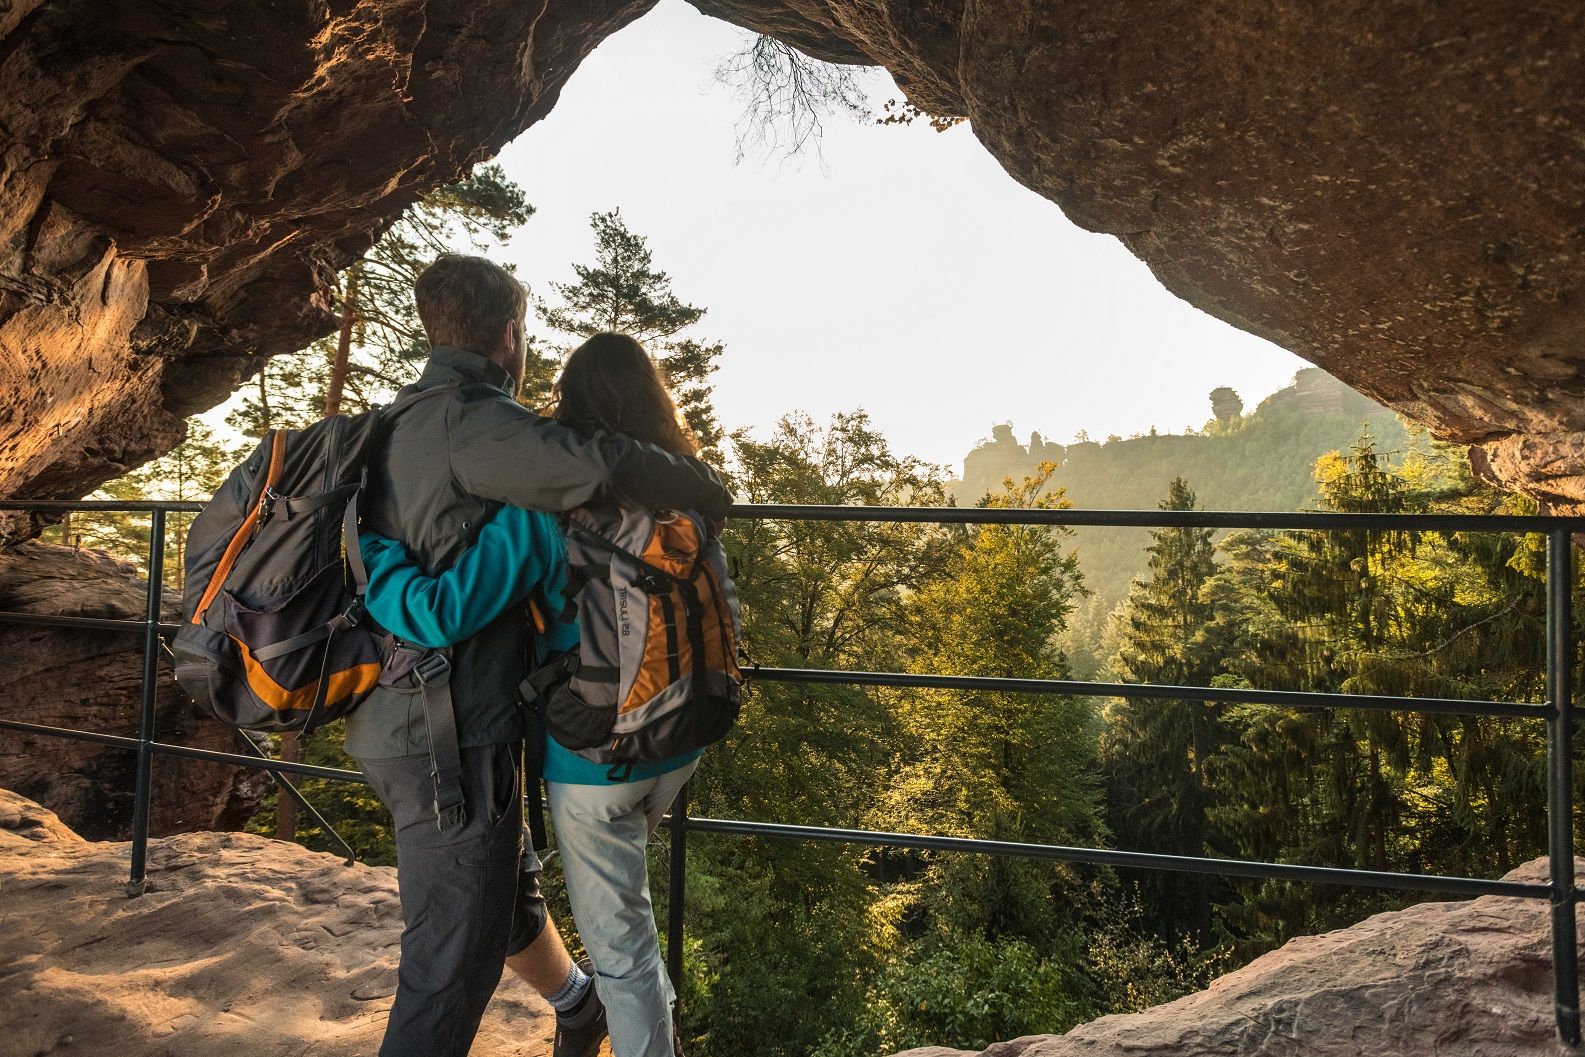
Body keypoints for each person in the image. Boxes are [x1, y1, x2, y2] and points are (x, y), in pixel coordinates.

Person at [349, 257, 730, 1057]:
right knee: (568, 903)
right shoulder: (686, 507)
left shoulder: (530, 506)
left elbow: (440, 608)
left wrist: (370, 551)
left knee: (621, 947)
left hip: (589, 755)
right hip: (680, 734)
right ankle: (585, 1008)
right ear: (508, 335)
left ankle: (622, 1024)